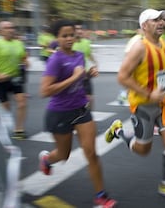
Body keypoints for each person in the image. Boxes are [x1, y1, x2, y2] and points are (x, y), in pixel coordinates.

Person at [104, 8, 165, 204]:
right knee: (143, 150)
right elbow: (122, 77)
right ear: (144, 26)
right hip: (143, 106)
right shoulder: (139, 48)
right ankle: (118, 132)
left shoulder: (164, 45)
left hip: (163, 103)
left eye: (161, 19)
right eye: (154, 20)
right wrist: (148, 93)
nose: (160, 22)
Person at [38, 19, 116, 207]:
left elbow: (78, 79)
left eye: (71, 35)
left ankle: (101, 196)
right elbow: (45, 91)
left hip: (81, 109)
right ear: (57, 37)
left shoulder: (79, 55)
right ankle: (48, 159)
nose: (69, 39)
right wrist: (74, 77)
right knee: (63, 155)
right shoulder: (55, 60)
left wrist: (88, 74)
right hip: (60, 113)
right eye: (64, 36)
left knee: (91, 153)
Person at [72, 21, 98, 107]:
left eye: (80, 29)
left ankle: (89, 115)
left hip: (86, 75)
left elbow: (89, 55)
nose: (79, 31)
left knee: (89, 98)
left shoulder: (86, 42)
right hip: (73, 77)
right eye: (76, 29)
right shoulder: (70, 44)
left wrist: (95, 65)